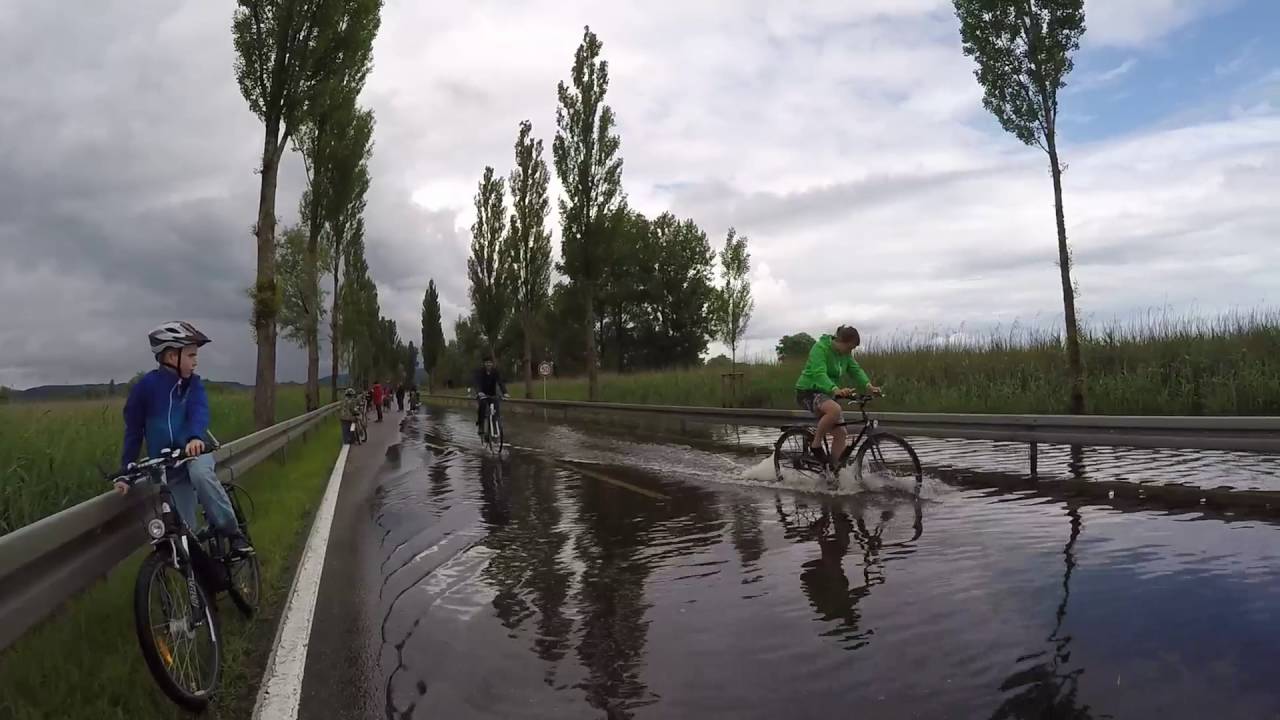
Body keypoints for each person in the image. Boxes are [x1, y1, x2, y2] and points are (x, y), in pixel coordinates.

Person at [117, 321, 252, 555]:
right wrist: (126, 473)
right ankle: (201, 584)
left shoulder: (194, 386)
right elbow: (133, 431)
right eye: (191, 355)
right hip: (169, 468)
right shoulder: (144, 389)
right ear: (171, 356)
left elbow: (199, 412)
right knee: (188, 537)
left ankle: (233, 533)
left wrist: (194, 438)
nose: (195, 361)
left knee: (200, 474)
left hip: (193, 454)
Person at [794, 325, 882, 473]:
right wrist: (836, 390)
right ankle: (815, 445)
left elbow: (855, 370)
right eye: (850, 347)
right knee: (835, 409)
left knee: (841, 434)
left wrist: (869, 386)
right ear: (841, 341)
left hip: (826, 393)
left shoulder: (845, 354)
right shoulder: (820, 348)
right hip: (807, 391)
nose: (851, 351)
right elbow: (819, 373)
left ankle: (833, 472)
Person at [471, 355, 509, 434]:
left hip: (492, 394)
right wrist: (479, 392)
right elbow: (476, 383)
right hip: (482, 394)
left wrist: (505, 393)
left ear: (492, 364)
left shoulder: (495, 372)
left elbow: (500, 382)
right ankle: (481, 426)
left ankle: (496, 426)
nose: (489, 364)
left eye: (490, 363)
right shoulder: (480, 372)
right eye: (487, 363)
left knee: (496, 408)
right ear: (484, 364)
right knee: (483, 405)